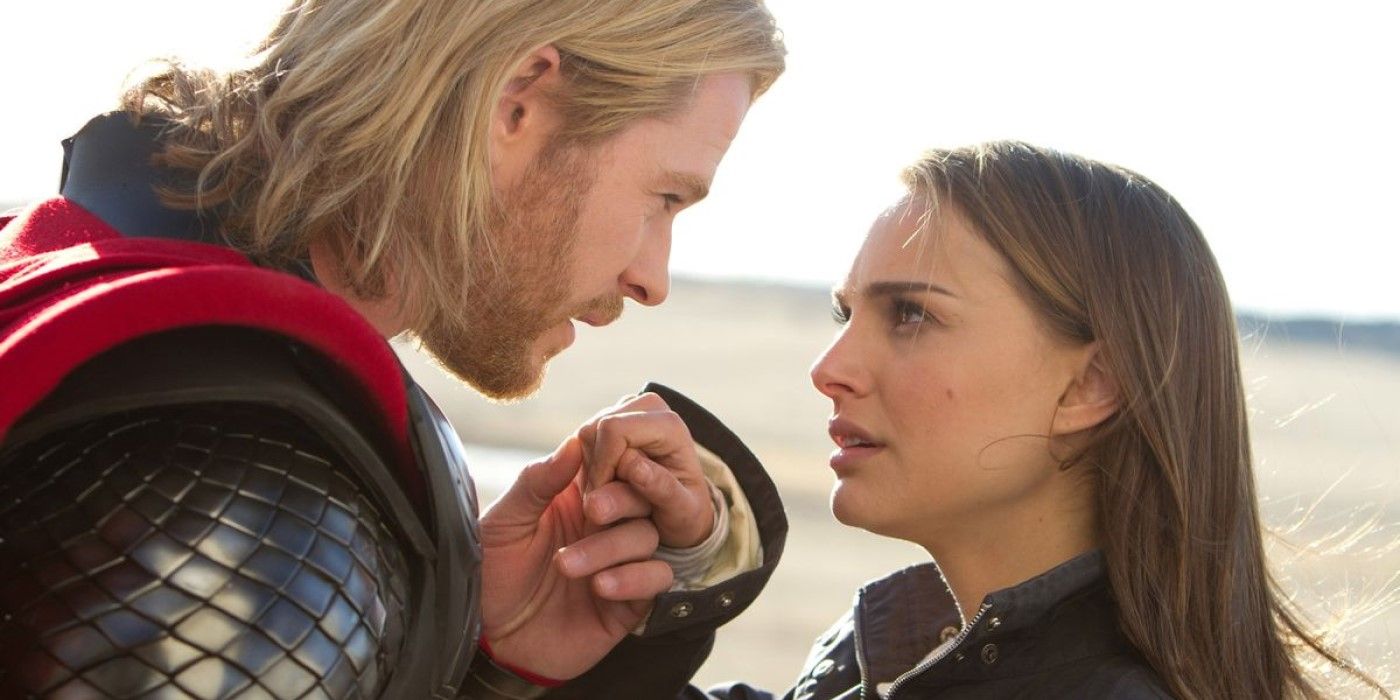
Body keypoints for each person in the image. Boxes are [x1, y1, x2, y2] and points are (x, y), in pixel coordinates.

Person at [0, 1, 786, 697]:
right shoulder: (255, 501)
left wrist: (479, 660)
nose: (652, 278)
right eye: (666, 198)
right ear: (519, 103)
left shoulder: (72, 285)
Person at [570, 141, 1390, 698]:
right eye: (842, 314)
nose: (830, 370)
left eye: (913, 316)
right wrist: (678, 572)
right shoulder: (900, 653)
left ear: (1089, 385)